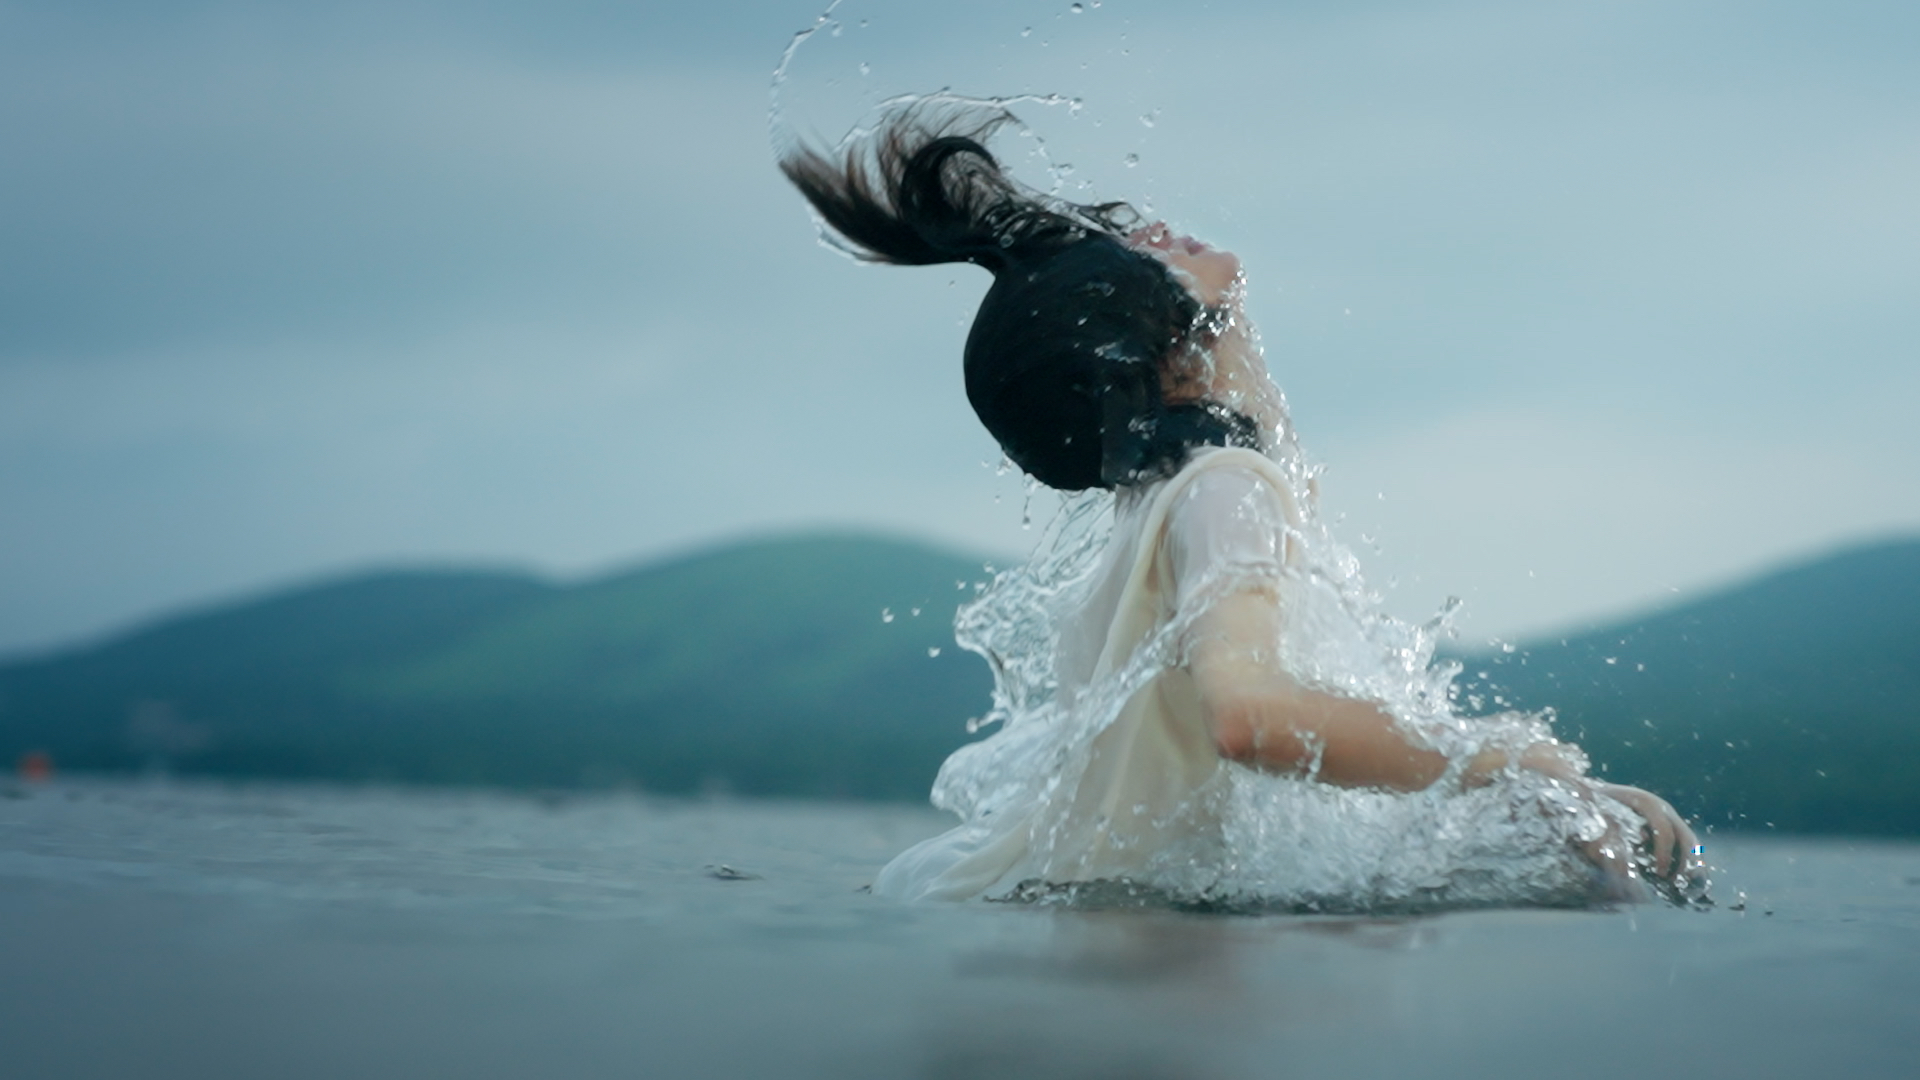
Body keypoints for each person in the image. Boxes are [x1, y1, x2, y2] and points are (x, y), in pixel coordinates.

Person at [780, 100, 1702, 907]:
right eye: (1125, 265)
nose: (1150, 235)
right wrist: (1519, 767)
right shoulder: (1224, 490)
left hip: (1095, 935)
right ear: (1159, 357)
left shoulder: (1166, 499)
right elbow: (1247, 717)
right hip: (1161, 979)